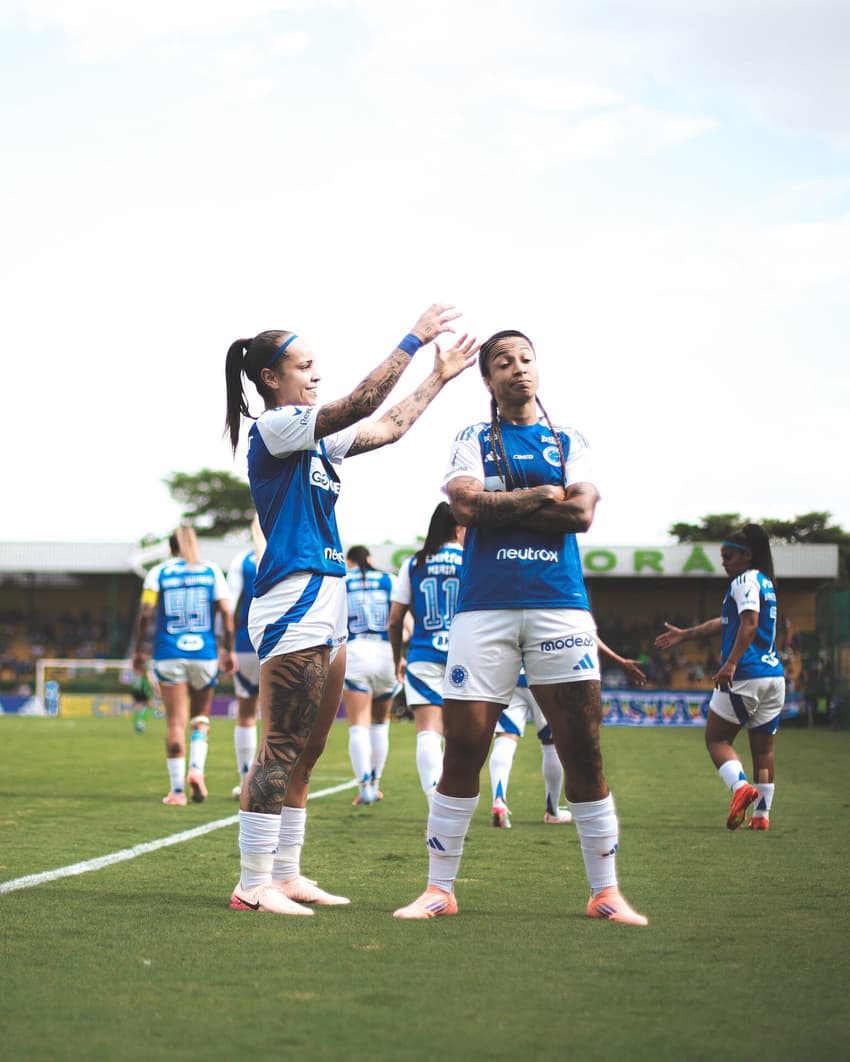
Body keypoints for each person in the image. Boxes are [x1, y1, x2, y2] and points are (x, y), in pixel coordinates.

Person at [223, 303, 477, 916]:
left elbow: (386, 427)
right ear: (269, 379)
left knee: (308, 750)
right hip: (293, 599)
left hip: (328, 599)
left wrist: (438, 377)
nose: (315, 375)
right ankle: (251, 884)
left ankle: (286, 874)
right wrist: (414, 340)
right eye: (304, 366)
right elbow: (363, 401)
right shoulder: (277, 426)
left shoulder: (310, 434)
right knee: (281, 746)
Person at [393, 328, 647, 925]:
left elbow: (580, 514)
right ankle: (439, 889)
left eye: (526, 359)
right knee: (464, 752)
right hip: (484, 611)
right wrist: (540, 497)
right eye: (503, 362)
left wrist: (502, 503)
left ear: (539, 369)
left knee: (583, 750)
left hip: (560, 605)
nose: (518, 369)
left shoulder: (568, 438)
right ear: (487, 379)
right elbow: (464, 507)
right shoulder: (473, 437)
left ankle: (606, 892)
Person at [653, 524, 785, 831]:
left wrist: (730, 664)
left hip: (746, 674)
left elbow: (749, 624)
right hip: (773, 678)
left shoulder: (744, 580)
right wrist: (687, 634)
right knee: (764, 751)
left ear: (746, 556)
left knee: (717, 739)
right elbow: (728, 622)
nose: (723, 562)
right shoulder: (765, 581)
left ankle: (741, 789)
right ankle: (762, 816)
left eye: (728, 556)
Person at [489, 640, 648, 829]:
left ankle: (499, 800)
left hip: (511, 676)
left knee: (505, 738)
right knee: (550, 743)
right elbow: (584, 633)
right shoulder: (555, 611)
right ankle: (552, 811)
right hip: (545, 677)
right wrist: (619, 661)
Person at [131, 526, 236, 805]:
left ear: (170, 547)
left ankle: (177, 792)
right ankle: (196, 770)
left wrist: (139, 650)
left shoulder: (159, 573)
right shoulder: (211, 570)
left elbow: (145, 614)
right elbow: (226, 613)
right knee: (200, 718)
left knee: (175, 723)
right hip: (205, 652)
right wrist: (229, 649)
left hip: (168, 652)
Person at [388, 502, 464, 806]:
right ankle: (456, 800)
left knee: (428, 732)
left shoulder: (413, 564)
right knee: (460, 736)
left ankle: (435, 800)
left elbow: (395, 620)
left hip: (423, 652)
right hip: (465, 656)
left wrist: (397, 658)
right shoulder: (472, 560)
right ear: (459, 529)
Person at [343, 545, 399, 806]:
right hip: (386, 651)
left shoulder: (342, 580)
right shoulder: (389, 579)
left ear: (350, 561)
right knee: (381, 722)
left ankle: (364, 786)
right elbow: (404, 623)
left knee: (358, 724)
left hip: (356, 652)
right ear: (371, 559)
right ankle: (375, 783)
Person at [226, 516, 266, 799]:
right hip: (279, 641)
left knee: (246, 714)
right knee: (277, 720)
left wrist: (223, 646)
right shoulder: (287, 555)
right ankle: (271, 782)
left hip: (244, 641)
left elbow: (228, 605)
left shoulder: (243, 561)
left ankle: (245, 781)